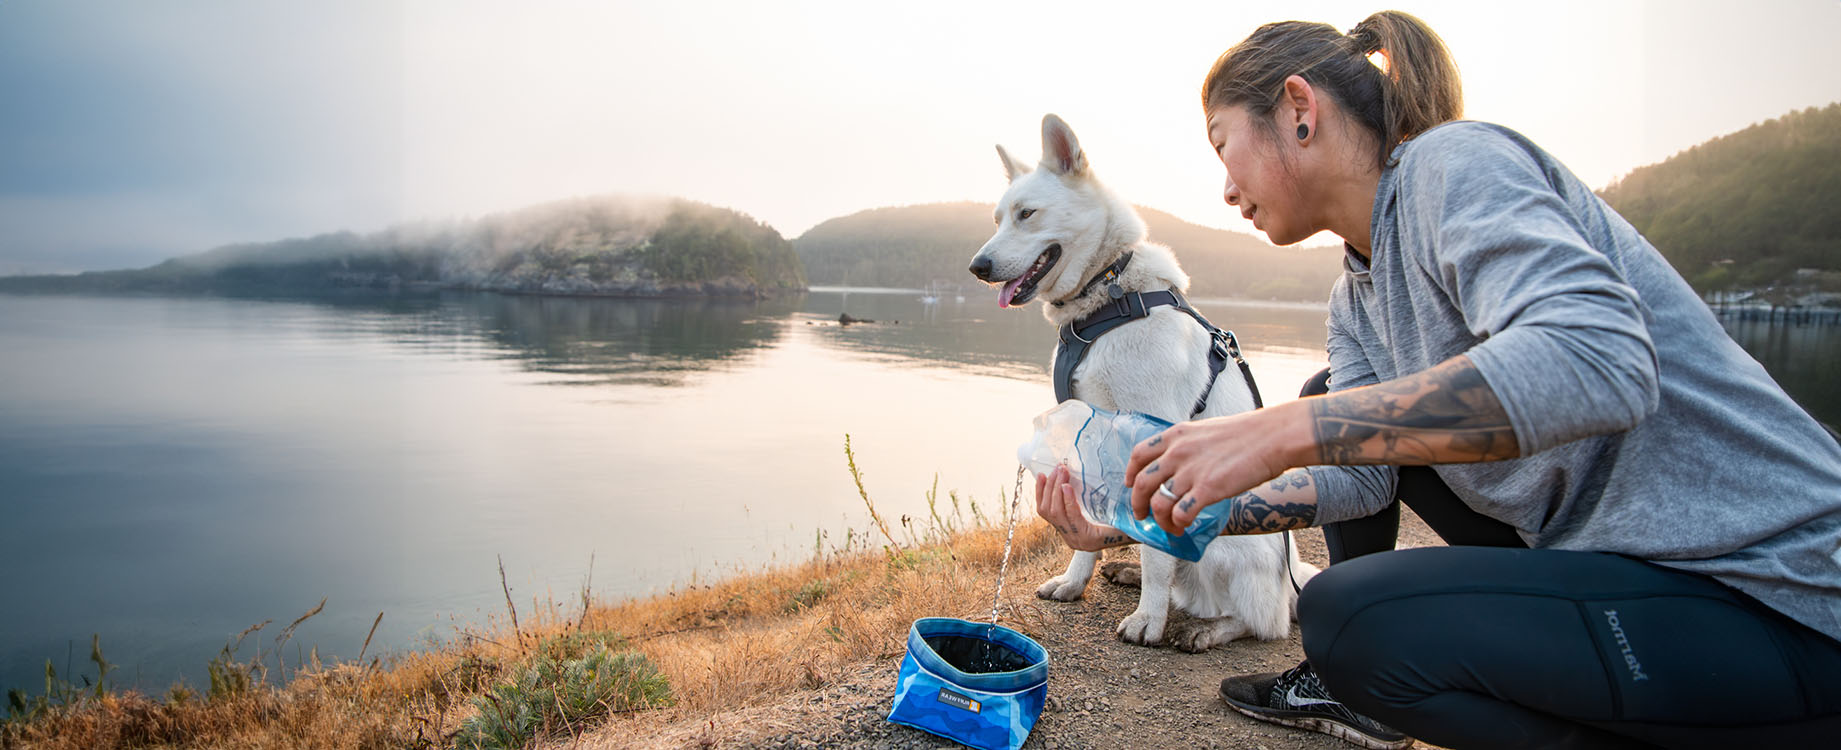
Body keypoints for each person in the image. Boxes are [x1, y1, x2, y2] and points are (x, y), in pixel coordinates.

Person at [1032, 10, 1841, 750]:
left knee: (1349, 619)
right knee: (1331, 407)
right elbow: (1364, 481)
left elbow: (1602, 361)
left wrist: (1277, 431)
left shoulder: (1454, 164)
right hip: (1629, 573)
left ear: (1298, 110)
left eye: (1222, 143)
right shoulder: (1356, 294)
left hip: (1775, 594)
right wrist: (1146, 517)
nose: (1224, 186)